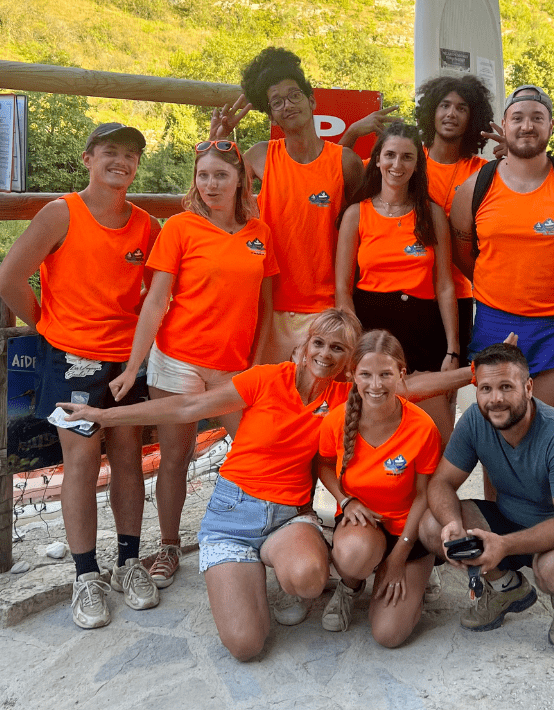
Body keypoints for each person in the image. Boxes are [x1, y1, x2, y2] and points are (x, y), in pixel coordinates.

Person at [60, 310, 480, 661]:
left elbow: (410, 387)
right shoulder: (265, 379)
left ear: (349, 360)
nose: (325, 354)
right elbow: (190, 406)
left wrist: (476, 373)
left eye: (338, 348)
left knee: (309, 578)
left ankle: (280, 567)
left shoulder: (345, 396)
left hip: (287, 518)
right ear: (305, 345)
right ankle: (245, 577)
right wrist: (103, 416)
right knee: (246, 645)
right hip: (233, 513)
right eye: (319, 343)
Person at [0, 122, 162, 629]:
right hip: (72, 360)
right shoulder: (60, 213)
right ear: (88, 158)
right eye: (111, 151)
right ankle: (86, 574)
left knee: (130, 460)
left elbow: (158, 295)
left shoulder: (147, 225)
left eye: (131, 154)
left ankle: (128, 562)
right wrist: (46, 326)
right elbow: (9, 276)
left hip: (128, 363)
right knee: (82, 464)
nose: (122, 161)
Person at [108, 139, 278, 588]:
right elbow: (156, 301)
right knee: (175, 458)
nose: (211, 184)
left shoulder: (259, 232)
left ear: (240, 179)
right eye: (203, 175)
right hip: (178, 360)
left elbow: (266, 307)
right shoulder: (180, 227)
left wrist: (255, 365)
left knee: (257, 450)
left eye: (221, 175)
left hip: (234, 367)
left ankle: (261, 535)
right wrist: (133, 366)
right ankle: (169, 546)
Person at [419, 342, 554, 652]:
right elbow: (441, 483)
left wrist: (503, 545)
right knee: (432, 526)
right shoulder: (476, 420)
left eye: (506, 387)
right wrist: (452, 524)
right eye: (486, 388)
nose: (495, 399)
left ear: (528, 388)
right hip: (508, 519)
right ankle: (506, 588)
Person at [450, 85, 554, 415]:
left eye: (537, 118)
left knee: (549, 428)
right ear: (504, 125)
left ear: (550, 126)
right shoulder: (476, 186)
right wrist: (495, 283)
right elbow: (463, 252)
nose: (527, 126)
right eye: (518, 118)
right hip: (494, 320)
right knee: (497, 428)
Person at [210, 47, 364, 363]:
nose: (288, 105)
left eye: (294, 95)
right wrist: (217, 141)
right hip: (269, 305)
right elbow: (213, 196)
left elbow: (364, 231)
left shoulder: (346, 162)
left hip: (325, 308)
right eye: (277, 102)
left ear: (312, 101)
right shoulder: (260, 156)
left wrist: (347, 303)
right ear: (271, 115)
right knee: (264, 390)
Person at [317, 330, 441, 647]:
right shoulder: (336, 421)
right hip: (363, 524)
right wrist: (346, 500)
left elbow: (425, 494)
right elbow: (324, 465)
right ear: (352, 375)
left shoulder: (422, 426)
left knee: (388, 634)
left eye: (385, 374)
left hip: (408, 528)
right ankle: (350, 585)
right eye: (366, 375)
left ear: (401, 374)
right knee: (353, 555)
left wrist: (399, 557)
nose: (375, 385)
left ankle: (418, 574)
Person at [335, 123, 459, 380]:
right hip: (369, 330)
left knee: (427, 406)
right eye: (390, 155)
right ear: (377, 159)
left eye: (407, 157)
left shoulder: (433, 215)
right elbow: (342, 290)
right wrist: (354, 343)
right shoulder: (356, 214)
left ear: (417, 165)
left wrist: (453, 348)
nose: (397, 164)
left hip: (422, 329)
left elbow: (445, 286)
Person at [415, 74, 498, 367]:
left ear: (473, 118)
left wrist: (514, 157)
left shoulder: (485, 172)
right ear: (431, 111)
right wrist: (351, 136)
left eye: (461, 108)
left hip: (459, 293)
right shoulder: (409, 160)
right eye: (445, 105)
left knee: (447, 383)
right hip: (408, 289)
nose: (451, 113)